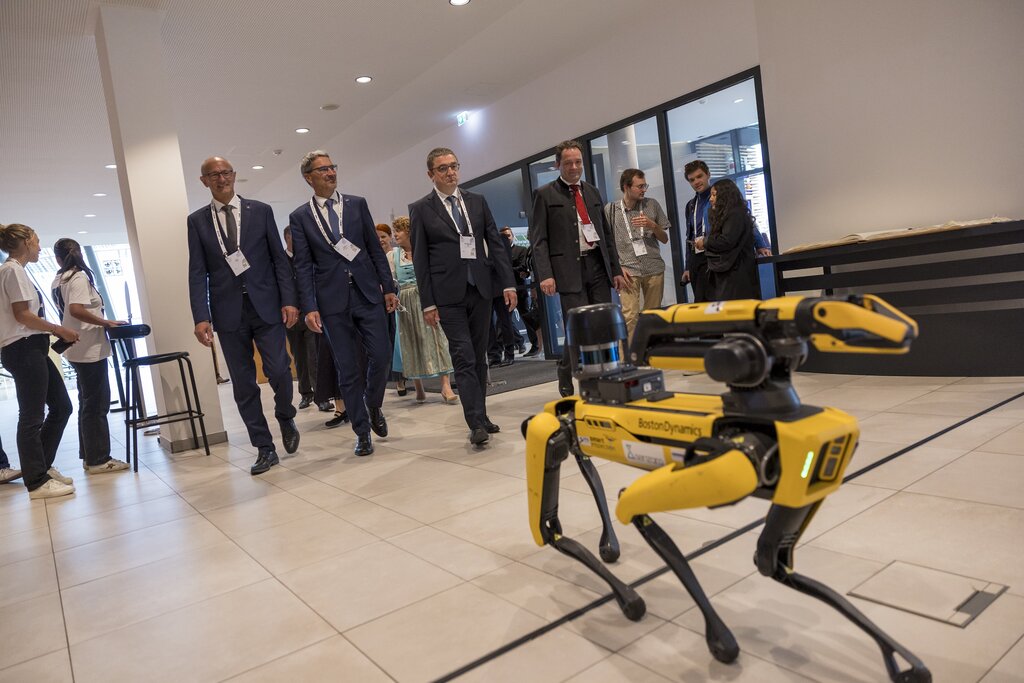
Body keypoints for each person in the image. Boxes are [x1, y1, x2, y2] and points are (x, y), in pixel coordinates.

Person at [187, 156, 300, 476]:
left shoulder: (260, 211)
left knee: (279, 369)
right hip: (227, 312)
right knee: (244, 384)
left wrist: (289, 300)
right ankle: (264, 447)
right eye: (214, 175)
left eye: (225, 173)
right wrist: (201, 316)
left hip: (266, 305)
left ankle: (285, 413)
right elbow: (197, 272)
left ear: (234, 175)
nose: (221, 179)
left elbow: (280, 260)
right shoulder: (197, 221)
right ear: (204, 181)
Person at [289, 150, 399, 457]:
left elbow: (374, 250)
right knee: (347, 369)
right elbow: (302, 264)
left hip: (367, 293)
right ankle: (362, 432)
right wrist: (310, 306)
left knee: (381, 354)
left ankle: (373, 404)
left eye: (332, 167)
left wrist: (387, 287)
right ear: (308, 178)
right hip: (331, 302)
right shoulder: (300, 217)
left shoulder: (356, 204)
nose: (330, 172)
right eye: (322, 169)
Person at [408, 147, 516, 445]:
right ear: (431, 174)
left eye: (454, 166)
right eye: (442, 168)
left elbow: (494, 243)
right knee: (464, 357)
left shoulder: (476, 201)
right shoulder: (421, 209)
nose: (450, 172)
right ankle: (475, 423)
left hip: (480, 289)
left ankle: (481, 414)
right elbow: (420, 259)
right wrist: (428, 302)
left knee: (480, 356)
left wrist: (507, 283)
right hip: (447, 295)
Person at [529, 140, 627, 397]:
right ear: (557, 164)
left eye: (578, 162)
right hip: (567, 271)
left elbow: (605, 234)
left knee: (601, 324)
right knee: (579, 326)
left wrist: (615, 269)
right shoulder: (544, 194)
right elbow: (539, 240)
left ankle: (603, 375)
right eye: (568, 162)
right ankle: (567, 369)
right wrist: (546, 275)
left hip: (597, 266)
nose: (574, 167)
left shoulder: (593, 192)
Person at [0, 223, 77, 499]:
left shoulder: (16, 271)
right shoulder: (12, 270)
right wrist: (58, 329)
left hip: (31, 347)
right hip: (23, 348)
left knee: (61, 406)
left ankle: (41, 467)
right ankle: (36, 481)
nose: (40, 247)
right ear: (26, 242)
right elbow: (22, 315)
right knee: (32, 417)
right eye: (37, 241)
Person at [51, 238, 130, 474]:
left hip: (77, 348)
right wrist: (106, 322)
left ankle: (89, 455)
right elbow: (76, 309)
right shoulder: (77, 277)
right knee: (96, 404)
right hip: (88, 349)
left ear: (57, 258)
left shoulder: (59, 278)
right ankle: (98, 459)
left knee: (87, 403)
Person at [390, 216, 458, 404]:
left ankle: (446, 386)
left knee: (438, 338)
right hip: (405, 300)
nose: (395, 234)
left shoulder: (424, 251)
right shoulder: (394, 255)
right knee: (412, 341)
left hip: (426, 297)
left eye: (399, 230)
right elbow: (389, 280)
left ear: (409, 232)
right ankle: (419, 387)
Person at [683, 160, 771, 302]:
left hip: (716, 253)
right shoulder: (691, 205)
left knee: (719, 300)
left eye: (699, 176)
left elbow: (745, 219)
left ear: (708, 175)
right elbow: (690, 235)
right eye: (692, 180)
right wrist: (687, 266)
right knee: (700, 302)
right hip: (698, 257)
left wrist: (760, 244)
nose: (696, 182)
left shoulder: (722, 197)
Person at [604, 169, 671, 342]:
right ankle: (629, 358)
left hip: (654, 267)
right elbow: (606, 244)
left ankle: (651, 353)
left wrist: (653, 225)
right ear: (626, 187)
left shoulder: (652, 205)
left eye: (645, 186)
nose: (644, 190)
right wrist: (617, 269)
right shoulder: (611, 210)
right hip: (628, 270)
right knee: (629, 317)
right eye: (640, 186)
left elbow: (664, 239)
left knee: (652, 315)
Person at [283, 226, 328, 412]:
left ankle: (321, 396)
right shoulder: (279, 260)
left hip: (310, 312)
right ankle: (305, 393)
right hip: (290, 317)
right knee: (299, 356)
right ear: (287, 237)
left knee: (313, 354)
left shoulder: (308, 257)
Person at [693, 178, 762, 300]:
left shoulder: (735, 214)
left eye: (714, 195)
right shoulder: (731, 213)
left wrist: (705, 242)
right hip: (732, 271)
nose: (711, 199)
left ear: (724, 196)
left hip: (736, 273)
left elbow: (726, 240)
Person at [501, 227, 541, 357]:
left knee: (527, 317)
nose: (507, 238)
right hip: (506, 290)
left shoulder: (521, 250)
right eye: (504, 236)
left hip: (521, 289)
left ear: (513, 236)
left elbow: (523, 268)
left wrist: (507, 270)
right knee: (503, 320)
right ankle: (519, 341)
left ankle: (536, 345)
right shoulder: (500, 252)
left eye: (508, 235)